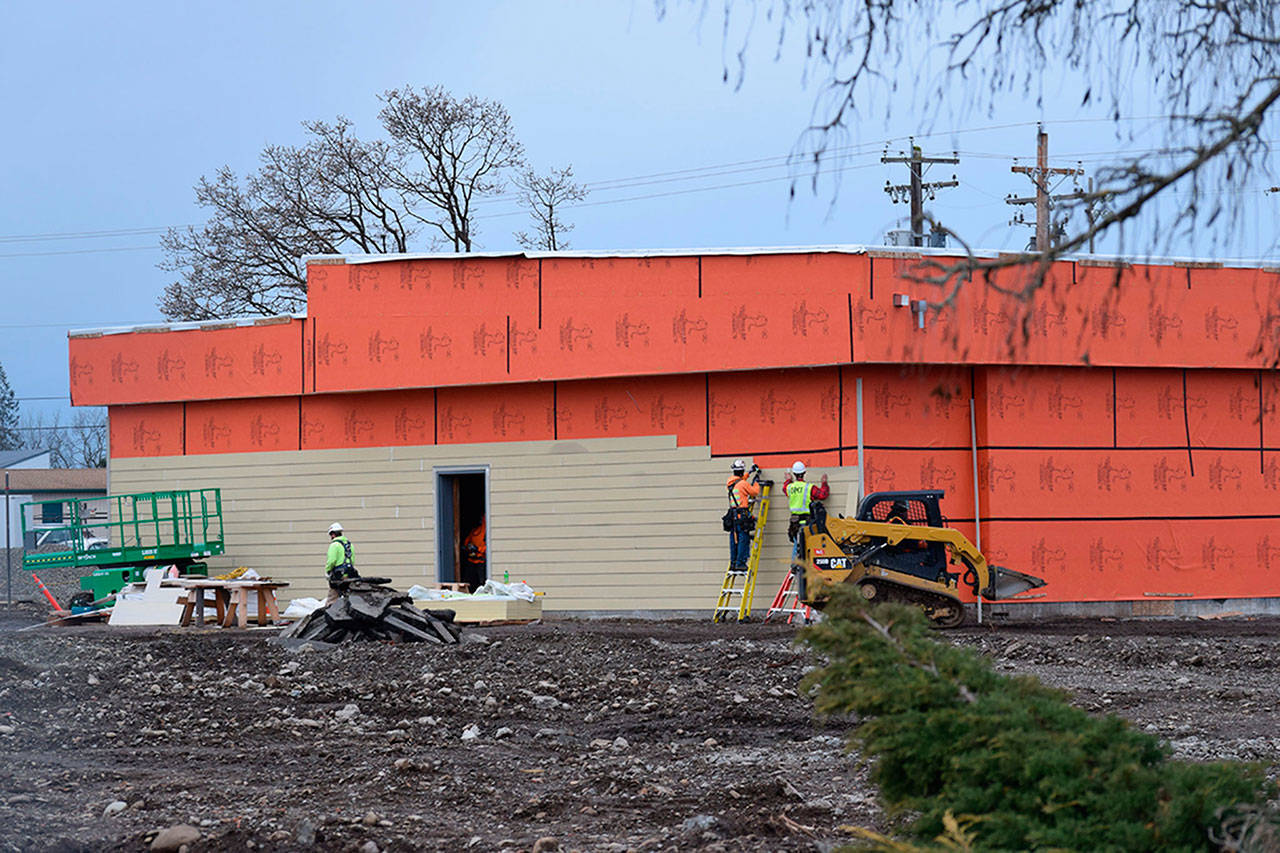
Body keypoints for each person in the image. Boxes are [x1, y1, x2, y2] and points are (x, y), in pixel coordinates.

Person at [783, 461, 829, 557]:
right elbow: (822, 494)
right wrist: (824, 483)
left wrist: (788, 480)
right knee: (808, 545)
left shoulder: (790, 487)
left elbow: (785, 489)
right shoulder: (809, 488)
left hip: (794, 521)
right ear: (804, 473)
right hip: (807, 521)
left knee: (797, 545)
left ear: (794, 474)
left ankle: (795, 568)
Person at [725, 459, 762, 571]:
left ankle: (734, 562)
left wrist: (749, 473)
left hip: (733, 516)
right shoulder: (743, 484)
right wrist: (756, 481)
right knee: (743, 540)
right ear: (742, 471)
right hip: (742, 516)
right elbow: (754, 492)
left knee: (733, 540)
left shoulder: (730, 483)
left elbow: (740, 481)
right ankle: (741, 563)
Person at [324, 522, 359, 604]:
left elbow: (332, 560)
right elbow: (352, 561)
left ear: (333, 534)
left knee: (332, 599)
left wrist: (327, 571)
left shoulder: (334, 545)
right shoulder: (350, 545)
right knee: (348, 598)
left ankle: (328, 616)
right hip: (350, 576)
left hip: (338, 577)